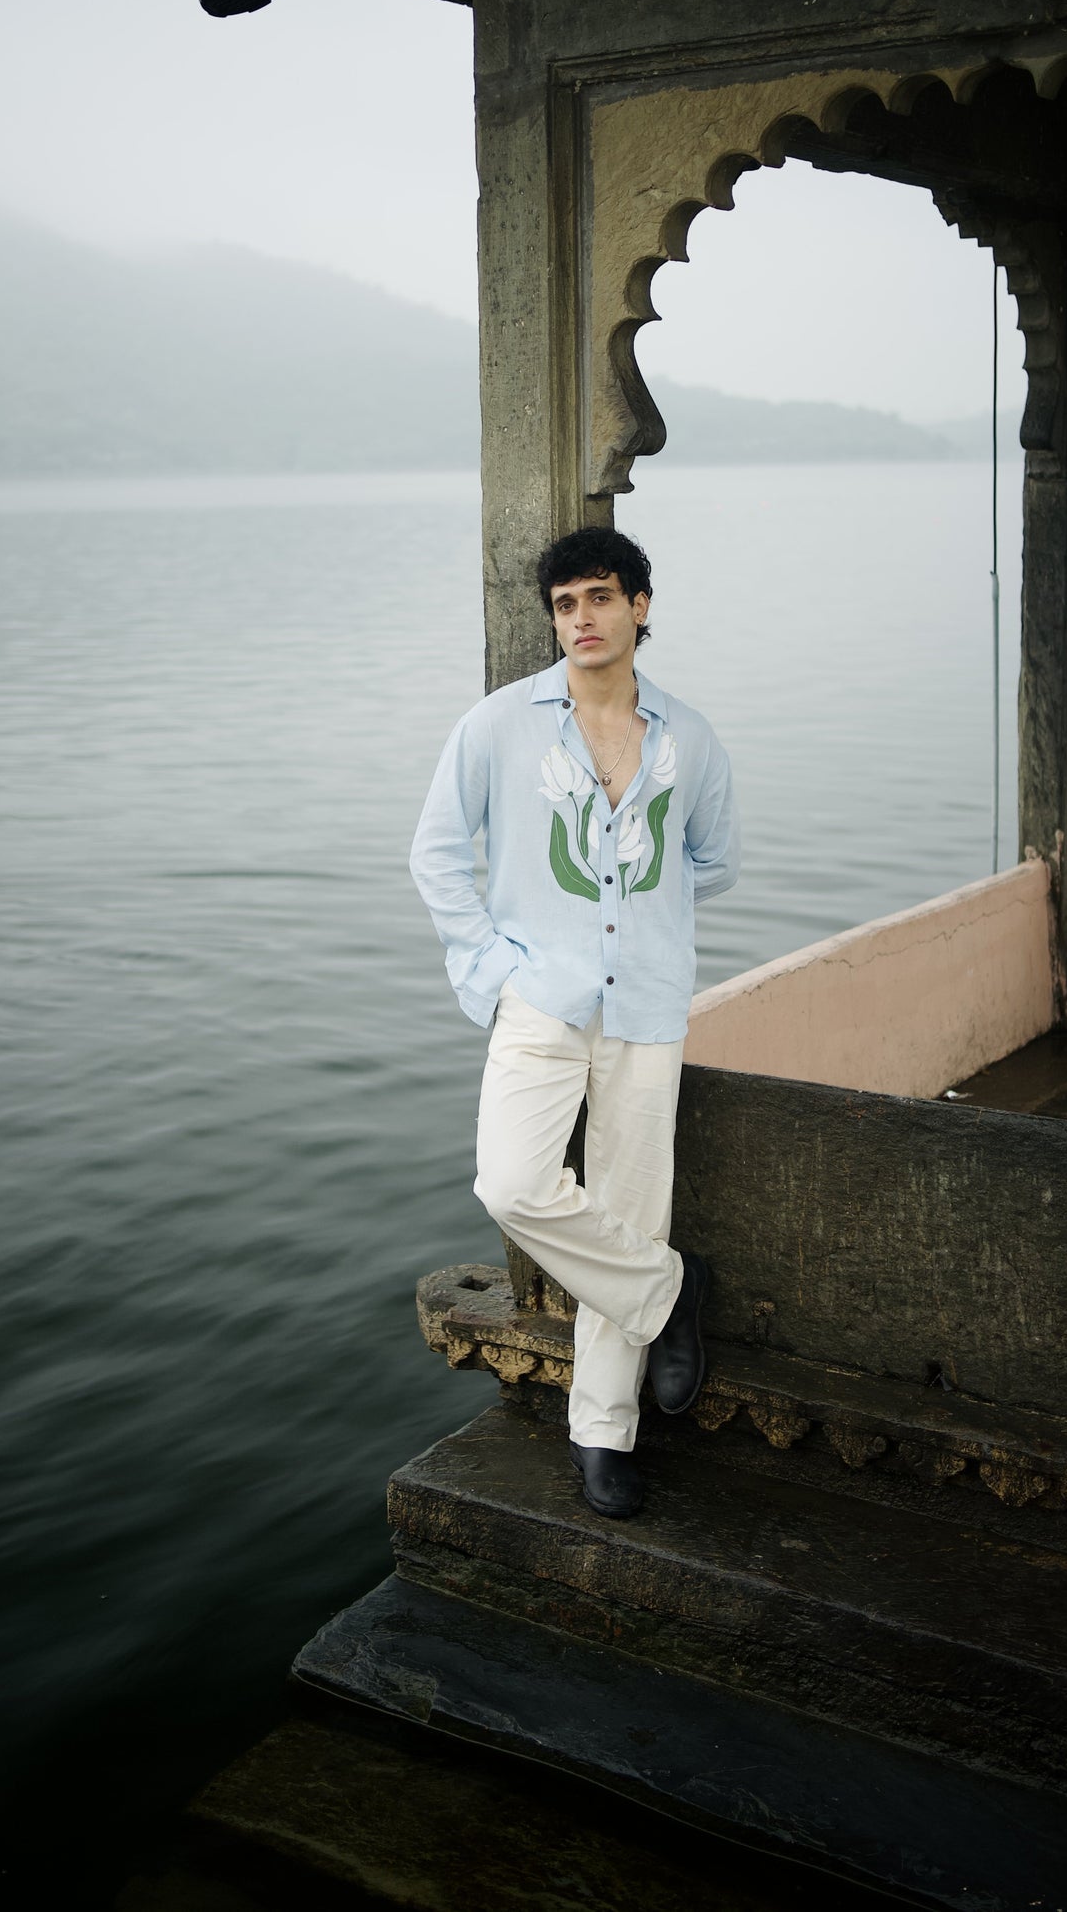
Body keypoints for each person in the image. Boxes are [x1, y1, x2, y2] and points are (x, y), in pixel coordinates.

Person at [410, 526, 739, 1520]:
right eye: (563, 605)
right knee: (511, 1181)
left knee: (633, 1208)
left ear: (639, 606)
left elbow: (712, 861)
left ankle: (603, 1432)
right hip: (538, 998)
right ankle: (666, 1292)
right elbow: (434, 854)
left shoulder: (689, 740)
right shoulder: (499, 727)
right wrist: (495, 967)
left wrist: (645, 926)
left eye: (598, 597)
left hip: (645, 1001)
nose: (580, 620)